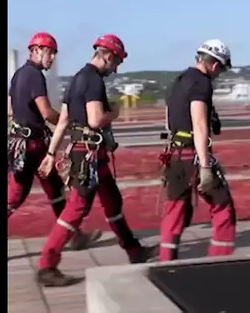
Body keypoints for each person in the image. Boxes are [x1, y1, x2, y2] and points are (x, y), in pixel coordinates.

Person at [36, 33, 154, 286]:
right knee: (76, 209)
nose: (116, 68)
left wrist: (50, 153)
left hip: (86, 153)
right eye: (117, 62)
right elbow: (95, 120)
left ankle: (134, 250)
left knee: (112, 201)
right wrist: (114, 113)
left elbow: (64, 120)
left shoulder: (77, 78)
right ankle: (47, 264)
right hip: (88, 155)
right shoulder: (93, 81)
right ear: (108, 56)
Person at [7, 32, 102, 251]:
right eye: (49, 53)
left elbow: (12, 108)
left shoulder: (19, 74)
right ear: (36, 50)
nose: (52, 58)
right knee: (16, 195)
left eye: (54, 54)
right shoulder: (34, 76)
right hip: (31, 146)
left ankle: (74, 235)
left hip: (27, 142)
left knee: (54, 189)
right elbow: (47, 112)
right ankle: (74, 235)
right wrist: (69, 122)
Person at [159, 39, 236, 261]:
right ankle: (219, 262)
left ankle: (166, 263)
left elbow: (168, 122)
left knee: (175, 211)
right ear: (214, 65)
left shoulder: (176, 82)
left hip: (174, 154)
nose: (218, 75)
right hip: (192, 155)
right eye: (220, 70)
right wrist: (205, 166)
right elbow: (200, 125)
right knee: (223, 208)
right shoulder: (201, 84)